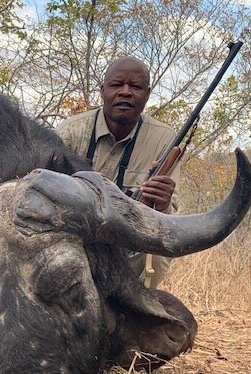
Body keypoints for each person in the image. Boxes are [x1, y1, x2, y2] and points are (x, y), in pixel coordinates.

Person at [56, 56, 179, 288]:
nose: (125, 92)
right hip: (73, 238)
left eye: (135, 86)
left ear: (147, 93)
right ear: (103, 91)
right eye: (116, 85)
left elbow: (168, 216)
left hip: (127, 241)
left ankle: (140, 300)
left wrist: (163, 202)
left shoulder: (164, 139)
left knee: (156, 246)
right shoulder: (69, 132)